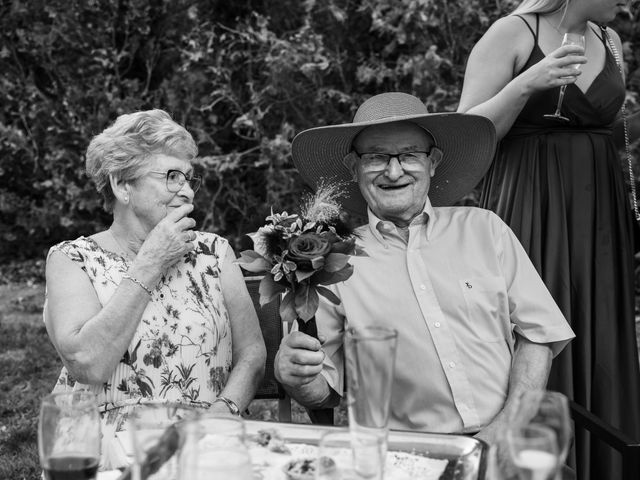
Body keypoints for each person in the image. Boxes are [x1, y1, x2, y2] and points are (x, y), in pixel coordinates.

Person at [274, 92, 575, 447]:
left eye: (409, 155)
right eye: (375, 157)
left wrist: (504, 431)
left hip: (509, 442)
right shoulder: (334, 261)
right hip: (407, 457)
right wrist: (296, 376)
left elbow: (538, 335)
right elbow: (325, 392)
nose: (393, 170)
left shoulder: (484, 229)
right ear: (353, 168)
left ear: (433, 161)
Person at [457, 1, 640, 477]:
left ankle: (602, 464)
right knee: (534, 330)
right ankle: (527, 463)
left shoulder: (611, 42)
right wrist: (526, 85)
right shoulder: (512, 33)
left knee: (597, 331)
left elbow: (605, 134)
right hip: (529, 207)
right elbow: (464, 138)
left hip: (599, 218)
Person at [43, 109, 266, 468]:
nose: (188, 191)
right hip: (100, 454)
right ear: (122, 185)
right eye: (172, 177)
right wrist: (151, 261)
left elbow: (252, 352)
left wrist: (225, 411)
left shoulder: (213, 253)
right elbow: (89, 364)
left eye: (190, 178)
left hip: (205, 447)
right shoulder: (73, 259)